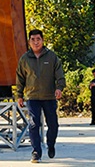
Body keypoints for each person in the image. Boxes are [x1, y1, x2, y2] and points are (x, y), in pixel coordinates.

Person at [16, 29, 66, 163]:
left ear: (42, 40)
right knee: (33, 124)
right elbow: (20, 78)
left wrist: (59, 88)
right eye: (33, 39)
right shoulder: (25, 59)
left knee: (53, 124)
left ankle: (51, 144)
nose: (36, 42)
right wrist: (19, 95)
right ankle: (36, 151)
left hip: (49, 97)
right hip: (32, 97)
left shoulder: (52, 57)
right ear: (29, 42)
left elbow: (60, 75)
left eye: (38, 39)